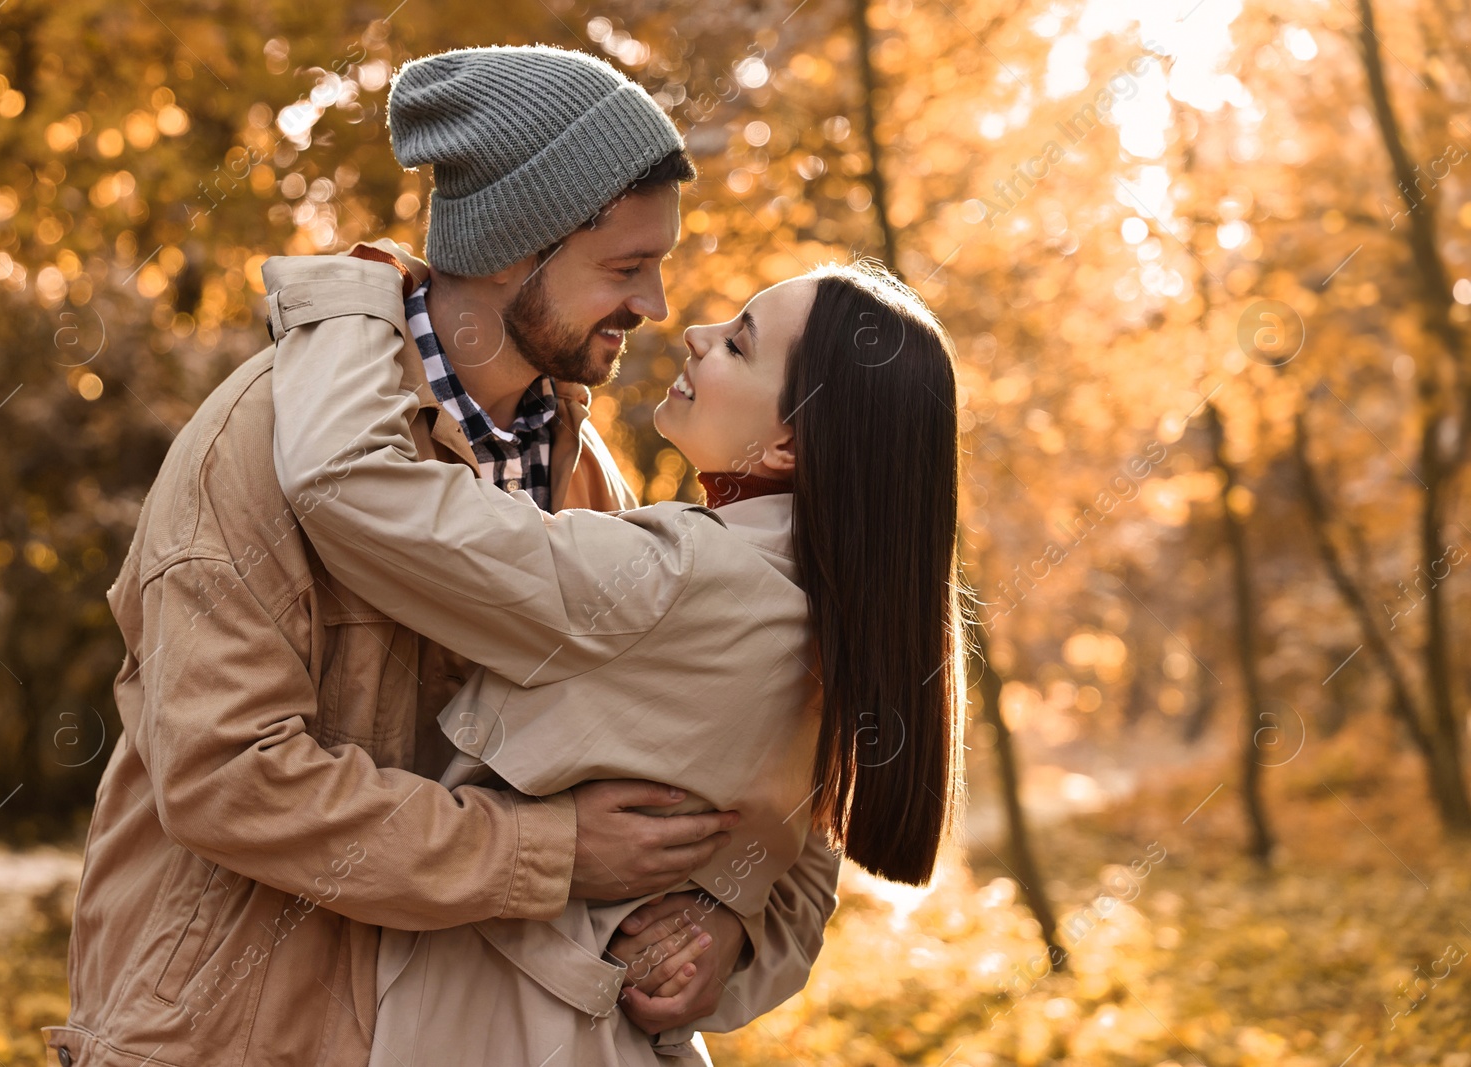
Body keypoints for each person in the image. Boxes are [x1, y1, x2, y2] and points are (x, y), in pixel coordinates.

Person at [46, 45, 833, 1067]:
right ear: (514, 249)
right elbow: (225, 776)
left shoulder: (588, 470)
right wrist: (547, 851)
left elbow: (731, 764)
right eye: (626, 267)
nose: (656, 305)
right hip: (235, 1033)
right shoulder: (258, 434)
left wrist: (723, 917)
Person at [267, 251, 969, 1064]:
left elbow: (347, 485)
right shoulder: (834, 609)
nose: (697, 333)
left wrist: (351, 293)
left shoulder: (679, 576)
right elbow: (804, 853)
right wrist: (730, 930)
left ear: (786, 447)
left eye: (739, 344)